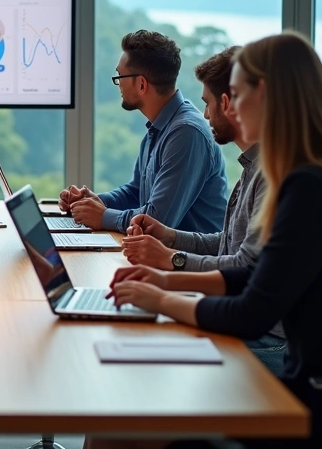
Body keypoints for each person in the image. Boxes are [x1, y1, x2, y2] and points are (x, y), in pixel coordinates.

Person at [106, 33, 322, 448]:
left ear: (263, 94)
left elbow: (251, 310)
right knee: (129, 414)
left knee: (136, 427)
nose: (228, 106)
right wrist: (162, 282)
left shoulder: (308, 187)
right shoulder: (312, 174)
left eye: (234, 93)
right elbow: (252, 272)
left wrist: (162, 297)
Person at [120, 46, 286, 373]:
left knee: (150, 353)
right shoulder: (255, 168)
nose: (207, 113)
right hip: (253, 322)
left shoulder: (275, 176)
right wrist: (171, 238)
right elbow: (229, 243)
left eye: (211, 102)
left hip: (272, 340)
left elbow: (244, 270)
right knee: (144, 341)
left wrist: (170, 269)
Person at [59, 30, 227, 233]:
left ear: (141, 84)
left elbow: (158, 220)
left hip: (190, 261)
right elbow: (136, 192)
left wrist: (102, 216)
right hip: (160, 257)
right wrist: (93, 202)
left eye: (120, 76)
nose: (118, 83)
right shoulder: (160, 126)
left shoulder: (186, 133)